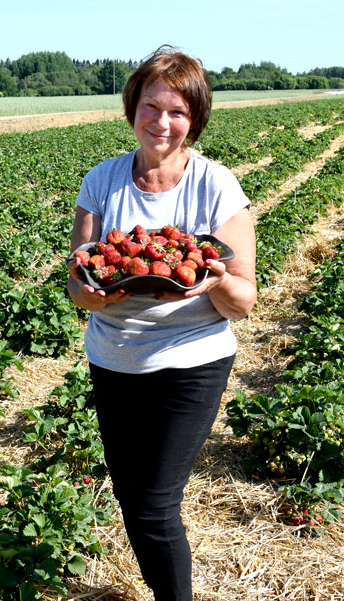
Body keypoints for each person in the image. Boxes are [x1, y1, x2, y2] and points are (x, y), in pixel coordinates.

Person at [66, 45, 257, 601]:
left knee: (154, 503)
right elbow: (79, 281)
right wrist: (92, 292)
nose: (162, 122)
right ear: (133, 109)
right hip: (114, 357)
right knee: (130, 494)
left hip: (191, 357)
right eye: (151, 106)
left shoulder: (217, 186)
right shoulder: (102, 181)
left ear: (195, 119)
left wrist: (214, 281)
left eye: (177, 111)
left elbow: (243, 300)